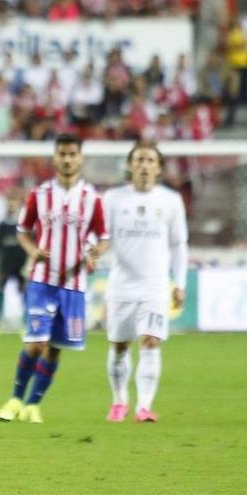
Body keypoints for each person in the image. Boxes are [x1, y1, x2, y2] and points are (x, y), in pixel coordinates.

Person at [0, 134, 108, 424]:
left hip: (74, 285)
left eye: (72, 154)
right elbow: (22, 230)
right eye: (62, 154)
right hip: (41, 281)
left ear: (80, 158)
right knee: (36, 342)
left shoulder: (93, 199)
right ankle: (15, 399)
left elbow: (103, 238)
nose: (67, 159)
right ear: (55, 158)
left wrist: (95, 254)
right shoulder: (39, 195)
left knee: (56, 347)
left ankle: (34, 404)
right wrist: (34, 251)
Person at [102, 141, 187, 423]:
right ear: (130, 165)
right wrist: (92, 253)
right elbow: (102, 238)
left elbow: (179, 245)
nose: (144, 165)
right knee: (119, 345)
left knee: (151, 341)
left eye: (150, 160)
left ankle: (144, 406)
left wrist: (180, 282)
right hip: (121, 286)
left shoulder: (171, 200)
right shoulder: (113, 198)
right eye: (139, 160)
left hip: (154, 287)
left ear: (159, 168)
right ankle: (119, 401)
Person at [0, 194, 29, 339]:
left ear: (19, 204)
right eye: (10, 202)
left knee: (24, 295)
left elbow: (29, 245)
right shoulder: (2, 225)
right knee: (0, 294)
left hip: (21, 264)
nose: (12, 205)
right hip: (5, 264)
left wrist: (28, 263)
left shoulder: (24, 226)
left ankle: (26, 325)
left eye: (14, 202)